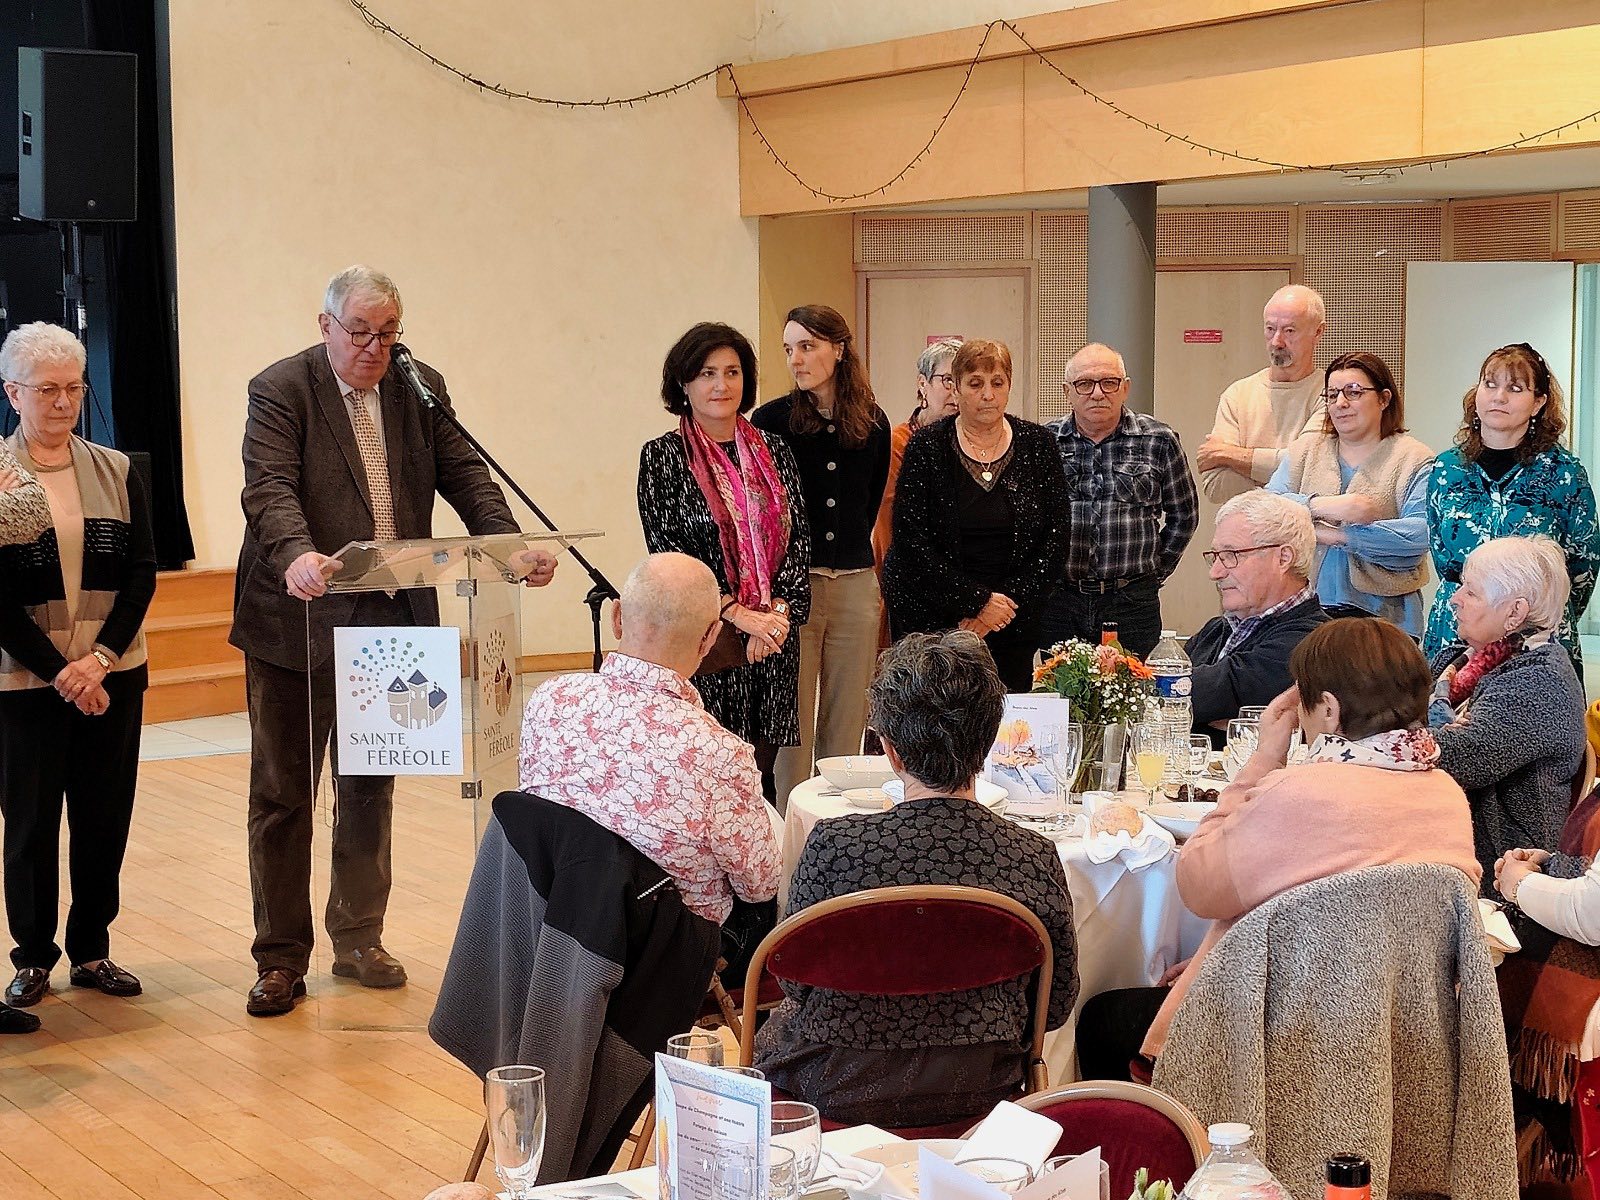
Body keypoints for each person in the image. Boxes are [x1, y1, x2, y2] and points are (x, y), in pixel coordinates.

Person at [231, 266, 558, 1017]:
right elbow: (268, 489)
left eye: (389, 332)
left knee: (372, 784)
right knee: (284, 795)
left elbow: (467, 476)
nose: (376, 348)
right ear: (325, 325)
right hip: (297, 622)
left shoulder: (418, 384)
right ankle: (280, 958)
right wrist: (297, 557)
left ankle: (357, 938)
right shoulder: (281, 389)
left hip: (391, 617)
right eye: (361, 332)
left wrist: (507, 547)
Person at [1076, 618, 1478, 1081]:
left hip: (1291, 1024)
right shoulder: (1447, 794)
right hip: (1406, 1030)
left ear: (1328, 709)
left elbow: (1197, 885)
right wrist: (1238, 947)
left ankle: (1159, 1148)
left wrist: (1267, 756)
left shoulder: (1300, 792)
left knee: (1102, 1017)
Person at [755, 630, 1078, 1127]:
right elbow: (1051, 1010)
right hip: (979, 1089)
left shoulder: (833, 847)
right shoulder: (1032, 857)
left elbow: (795, 984)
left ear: (891, 751)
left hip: (835, 1084)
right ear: (990, 742)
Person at [0, 322, 157, 1031]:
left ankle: (91, 950)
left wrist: (97, 661)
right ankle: (32, 953)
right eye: (47, 390)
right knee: (31, 823)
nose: (64, 403)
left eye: (74, 388)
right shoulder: (0, 479)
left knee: (103, 817)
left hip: (113, 674)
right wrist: (61, 670)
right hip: (25, 683)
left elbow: (141, 574)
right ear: (13, 393)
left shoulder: (118, 469)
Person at [517, 552, 782, 925]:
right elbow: (761, 885)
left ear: (617, 618)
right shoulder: (721, 753)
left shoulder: (548, 700)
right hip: (666, 957)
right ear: (710, 637)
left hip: (551, 928)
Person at [637, 323, 811, 803]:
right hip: (708, 640)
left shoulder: (776, 451)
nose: (721, 385)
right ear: (684, 385)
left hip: (772, 641)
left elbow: (798, 544)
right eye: (707, 373)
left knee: (763, 776)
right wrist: (739, 614)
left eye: (732, 372)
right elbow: (669, 554)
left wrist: (776, 616)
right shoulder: (662, 458)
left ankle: (767, 876)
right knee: (711, 777)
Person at [753, 306, 890, 805]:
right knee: (794, 714)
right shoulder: (771, 422)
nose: (796, 358)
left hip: (855, 581)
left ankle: (838, 818)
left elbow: (869, 503)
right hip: (795, 583)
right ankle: (794, 818)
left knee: (847, 709)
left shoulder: (873, 423)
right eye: (789, 348)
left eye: (807, 346)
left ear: (839, 348)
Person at [883, 339, 1070, 691]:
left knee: (1007, 727)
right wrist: (977, 602)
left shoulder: (1038, 444)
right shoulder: (927, 447)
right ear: (956, 386)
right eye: (975, 383)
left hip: (1012, 615)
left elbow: (1055, 538)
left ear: (1009, 387)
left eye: (997, 383)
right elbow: (911, 540)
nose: (987, 394)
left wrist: (999, 609)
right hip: (934, 613)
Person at [1424, 342, 1600, 673]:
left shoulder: (1563, 472)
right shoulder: (1446, 468)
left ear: (1538, 403)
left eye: (1515, 388)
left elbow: (1583, 565)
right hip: (1457, 629)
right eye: (1490, 384)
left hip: (1537, 637)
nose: (1499, 397)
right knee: (1449, 720)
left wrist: (1542, 611)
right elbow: (1440, 553)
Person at [1428, 536, 1586, 887]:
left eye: (1471, 592)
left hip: (1502, 868)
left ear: (1515, 612)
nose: (1455, 599)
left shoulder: (1540, 679)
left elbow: (1461, 756)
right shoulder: (1460, 661)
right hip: (1450, 840)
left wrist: (1373, 737)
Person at [1040, 342, 1198, 660]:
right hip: (1060, 600)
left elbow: (1184, 514)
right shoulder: (1044, 442)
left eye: (1108, 382)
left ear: (1125, 388)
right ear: (1067, 391)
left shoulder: (1158, 440)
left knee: (1134, 697)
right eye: (1085, 384)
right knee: (1062, 697)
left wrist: (1153, 573)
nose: (1098, 393)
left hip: (1132, 603)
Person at [1265, 351, 1433, 635]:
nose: (1340, 403)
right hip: (1307, 611)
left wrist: (1335, 535)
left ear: (1384, 399)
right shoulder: (1306, 450)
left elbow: (1420, 534)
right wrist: (1324, 506)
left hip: (1386, 619)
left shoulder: (1414, 459)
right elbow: (1266, 507)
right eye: (1332, 395)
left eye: (1353, 392)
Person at [1187, 491, 1327, 742]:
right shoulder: (1215, 630)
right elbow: (1162, 701)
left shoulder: (1314, 642)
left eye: (1231, 555)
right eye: (1215, 556)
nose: (1216, 572)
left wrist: (1205, 707)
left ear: (1283, 558)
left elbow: (1209, 694)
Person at [1197, 285, 1328, 504]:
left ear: (1318, 332)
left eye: (1289, 331)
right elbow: (1216, 486)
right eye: (1270, 329)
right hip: (1244, 536)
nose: (1277, 341)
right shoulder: (1238, 395)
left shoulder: (1332, 395)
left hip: (1307, 536)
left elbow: (1308, 473)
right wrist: (1284, 475)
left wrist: (1229, 455)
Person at [870, 336, 962, 645]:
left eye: (964, 381)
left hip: (963, 585)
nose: (956, 391)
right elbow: (892, 522)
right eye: (947, 379)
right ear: (923, 384)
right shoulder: (896, 443)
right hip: (906, 584)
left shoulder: (977, 445)